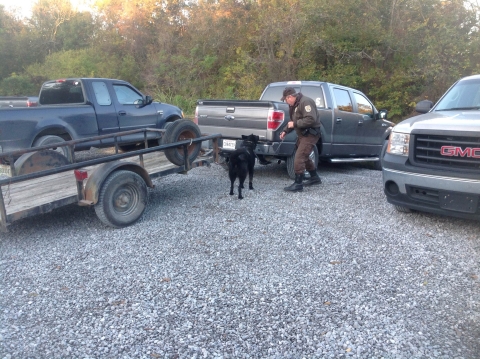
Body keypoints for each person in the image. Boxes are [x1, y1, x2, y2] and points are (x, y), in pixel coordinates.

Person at [279, 87, 322, 192]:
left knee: (299, 156)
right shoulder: (295, 105)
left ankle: (298, 184)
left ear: (290, 97)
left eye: (285, 99)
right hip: (303, 134)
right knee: (305, 156)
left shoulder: (306, 102)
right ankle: (314, 177)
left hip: (310, 134)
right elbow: (293, 120)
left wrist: (295, 124)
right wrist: (285, 131)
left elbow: (311, 119)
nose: (286, 102)